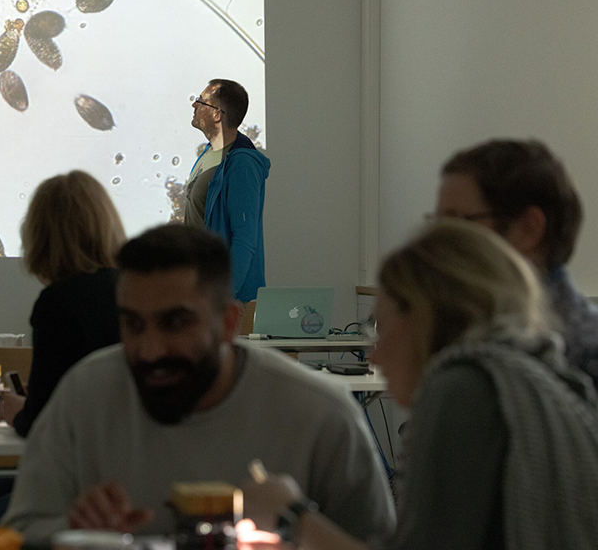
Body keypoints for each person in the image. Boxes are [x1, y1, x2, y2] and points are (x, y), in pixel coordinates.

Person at [1, 225, 394, 542]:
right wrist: (77, 534)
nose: (150, 350)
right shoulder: (84, 395)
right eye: (133, 324)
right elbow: (20, 533)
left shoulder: (320, 417)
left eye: (176, 323)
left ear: (227, 323)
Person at [244, 220, 598, 549]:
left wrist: (292, 515)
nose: (374, 356)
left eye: (380, 327)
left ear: (421, 318)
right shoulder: (543, 379)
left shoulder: (461, 392)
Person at [436, 138, 598, 388]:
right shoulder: (469, 330)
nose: (439, 241)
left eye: (457, 222)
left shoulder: (584, 355)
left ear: (528, 229)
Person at [0, 170, 126, 438]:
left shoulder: (57, 304)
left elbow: (41, 423)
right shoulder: (137, 290)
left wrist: (14, 411)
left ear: (39, 237)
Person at [186, 79, 270, 303]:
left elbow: (244, 239)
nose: (194, 105)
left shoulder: (242, 163)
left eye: (201, 101)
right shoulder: (208, 153)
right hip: (200, 289)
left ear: (217, 114)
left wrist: (222, 300)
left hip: (223, 300)